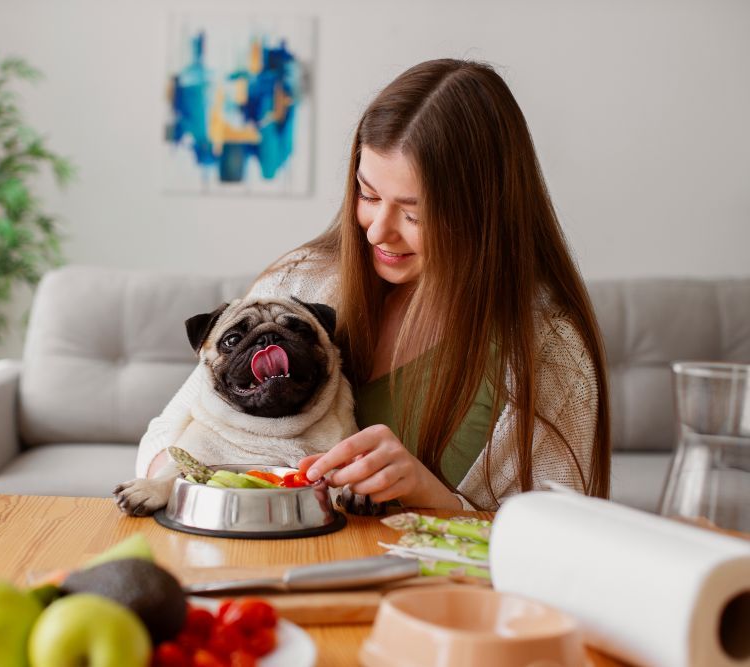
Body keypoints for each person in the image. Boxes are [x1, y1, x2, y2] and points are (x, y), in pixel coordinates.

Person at [135, 58, 610, 511]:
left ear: (484, 215)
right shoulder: (301, 281)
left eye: (413, 215)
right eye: (368, 195)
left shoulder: (549, 354)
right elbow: (164, 443)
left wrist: (434, 498)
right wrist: (203, 481)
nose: (378, 231)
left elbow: (559, 536)